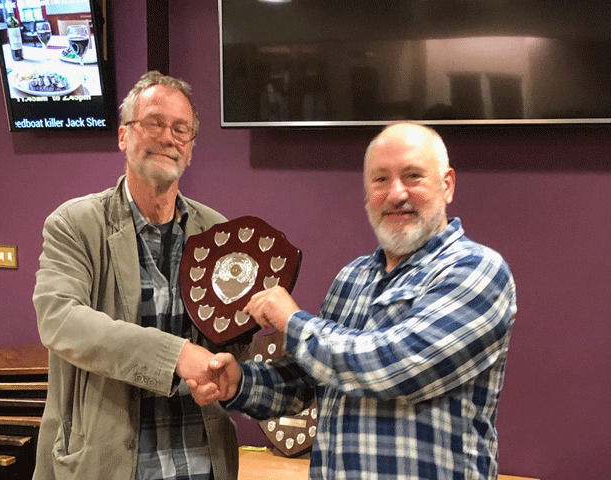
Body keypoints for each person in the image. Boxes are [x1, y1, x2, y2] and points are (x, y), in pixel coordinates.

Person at [189, 123, 517, 480]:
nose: (396, 193)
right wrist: (240, 383)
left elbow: (397, 365)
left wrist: (293, 321)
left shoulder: (477, 271)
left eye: (413, 176)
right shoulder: (352, 278)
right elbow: (309, 379)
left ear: (447, 184)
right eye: (380, 180)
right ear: (366, 194)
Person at [32, 71, 254, 480]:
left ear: (190, 148)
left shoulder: (217, 231)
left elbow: (228, 338)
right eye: (153, 122)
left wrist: (250, 336)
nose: (168, 137)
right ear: (123, 135)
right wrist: (176, 357)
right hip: (104, 466)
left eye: (180, 129)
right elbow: (59, 319)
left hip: (202, 464)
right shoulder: (75, 223)